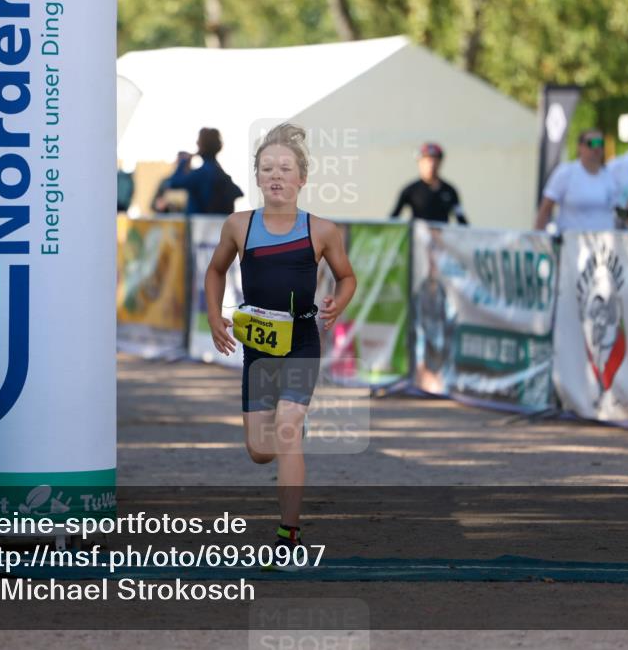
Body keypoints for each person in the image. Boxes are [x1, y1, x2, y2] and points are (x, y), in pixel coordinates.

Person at [204, 123, 356, 566]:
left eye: (285, 168)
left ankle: (288, 533)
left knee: (287, 431)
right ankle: (290, 425)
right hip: (258, 347)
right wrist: (215, 316)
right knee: (259, 450)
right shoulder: (238, 226)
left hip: (302, 340)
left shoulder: (322, 230)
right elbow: (215, 271)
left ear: (301, 178)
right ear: (256, 177)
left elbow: (347, 277)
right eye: (267, 167)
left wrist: (336, 305)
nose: (276, 175)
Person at [535, 129, 617, 231]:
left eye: (600, 143)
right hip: (572, 243)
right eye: (591, 143)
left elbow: (617, 211)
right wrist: (539, 240)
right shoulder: (566, 172)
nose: (597, 147)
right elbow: (545, 209)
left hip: (605, 243)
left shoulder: (610, 174)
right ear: (580, 147)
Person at [168, 127, 243, 215]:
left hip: (201, 225)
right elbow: (238, 193)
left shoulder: (200, 174)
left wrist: (184, 161)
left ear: (201, 146)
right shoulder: (220, 174)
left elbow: (174, 182)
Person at [391, 142, 468, 224]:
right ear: (419, 163)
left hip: (442, 235)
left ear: (440, 162)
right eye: (427, 161)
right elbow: (393, 218)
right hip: (418, 235)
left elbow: (461, 219)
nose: (431, 165)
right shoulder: (410, 190)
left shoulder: (450, 190)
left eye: (435, 161)